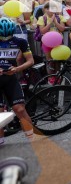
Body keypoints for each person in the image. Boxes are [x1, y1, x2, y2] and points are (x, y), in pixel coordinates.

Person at [0, 17, 35, 145]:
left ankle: (33, 140)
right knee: (0, 113)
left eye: (8, 37)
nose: (5, 39)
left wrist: (17, 69)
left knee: (20, 109)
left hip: (10, 78)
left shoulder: (20, 41)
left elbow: (30, 61)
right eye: (2, 37)